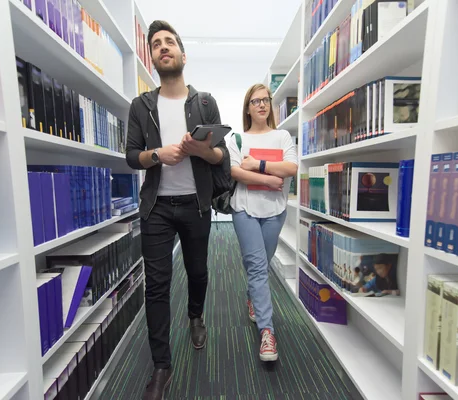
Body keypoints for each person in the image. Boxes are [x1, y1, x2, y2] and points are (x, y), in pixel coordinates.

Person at [125, 20, 228, 400]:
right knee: (157, 286)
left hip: (197, 205)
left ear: (183, 55)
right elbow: (132, 157)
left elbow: (222, 158)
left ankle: (195, 315)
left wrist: (204, 150)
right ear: (151, 57)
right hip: (156, 208)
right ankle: (161, 366)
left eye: (169, 42)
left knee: (198, 271)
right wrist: (158, 155)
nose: (163, 47)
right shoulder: (141, 106)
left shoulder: (204, 102)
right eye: (156, 44)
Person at [228, 83, 298, 362]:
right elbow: (234, 172)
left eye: (265, 100)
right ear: (248, 107)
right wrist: (270, 179)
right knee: (257, 267)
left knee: (261, 265)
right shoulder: (237, 139)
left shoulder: (282, 136)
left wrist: (256, 165)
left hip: (275, 211)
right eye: (255, 101)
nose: (261, 105)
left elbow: (291, 168)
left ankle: (253, 298)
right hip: (244, 210)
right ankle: (267, 332)